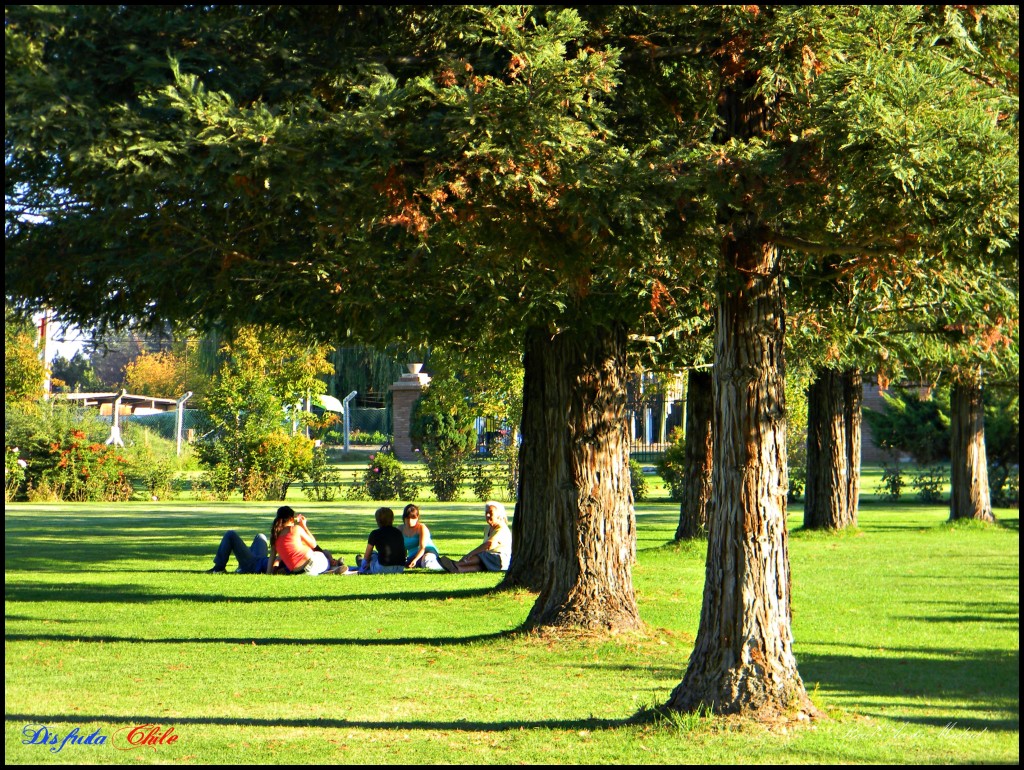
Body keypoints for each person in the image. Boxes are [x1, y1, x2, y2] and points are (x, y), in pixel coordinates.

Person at [438, 501, 512, 573]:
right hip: (490, 559)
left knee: (482, 555)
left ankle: (456, 564)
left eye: (490, 513)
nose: (487, 515)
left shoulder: (502, 529)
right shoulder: (487, 528)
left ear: (499, 515)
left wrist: (471, 554)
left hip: (500, 560)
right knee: (479, 565)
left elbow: (489, 545)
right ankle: (458, 569)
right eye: (486, 513)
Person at [268, 505, 333, 575]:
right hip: (312, 563)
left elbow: (272, 557)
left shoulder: (274, 536)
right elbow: (313, 544)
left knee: (323, 554)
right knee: (324, 553)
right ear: (291, 519)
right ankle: (334, 568)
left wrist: (268, 572)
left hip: (299, 572)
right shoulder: (295, 529)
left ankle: (328, 570)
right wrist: (304, 526)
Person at [356, 506, 406, 574]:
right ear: (392, 519)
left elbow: (367, 555)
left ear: (377, 520)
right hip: (400, 568)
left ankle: (362, 565)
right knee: (377, 555)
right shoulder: (398, 532)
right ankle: (369, 566)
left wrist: (364, 563)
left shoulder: (375, 533)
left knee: (372, 553)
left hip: (383, 567)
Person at [400, 503, 444, 571]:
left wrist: (415, 560)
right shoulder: (400, 529)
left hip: (427, 552)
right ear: (404, 518)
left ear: (417, 517)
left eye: (413, 518)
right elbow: (402, 548)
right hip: (412, 556)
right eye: (407, 518)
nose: (410, 521)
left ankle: (444, 567)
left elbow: (422, 547)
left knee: (426, 562)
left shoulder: (421, 527)